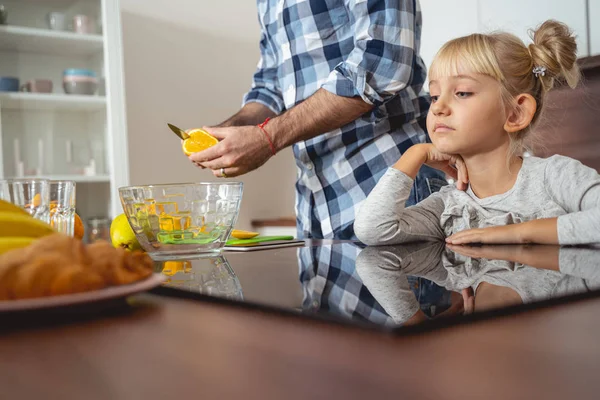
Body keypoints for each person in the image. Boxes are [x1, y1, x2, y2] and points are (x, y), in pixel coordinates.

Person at [186, 0, 446, 240]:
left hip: (387, 187)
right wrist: (229, 131)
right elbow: (270, 87)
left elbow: (382, 63)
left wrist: (267, 138)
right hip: (313, 206)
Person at [354, 19, 600, 247]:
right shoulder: (448, 204)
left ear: (515, 113)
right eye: (435, 95)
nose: (438, 107)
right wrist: (415, 154)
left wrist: (517, 232)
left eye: (462, 93)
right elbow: (372, 230)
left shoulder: (555, 177)